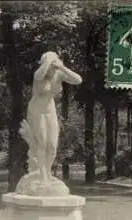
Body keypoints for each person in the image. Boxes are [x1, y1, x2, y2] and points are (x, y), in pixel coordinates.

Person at [26, 51, 82, 182]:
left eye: (54, 66)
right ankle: (43, 175)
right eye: (51, 66)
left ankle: (47, 171)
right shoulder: (39, 74)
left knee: (52, 145)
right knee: (43, 142)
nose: (52, 69)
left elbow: (78, 80)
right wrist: (47, 62)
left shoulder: (58, 73)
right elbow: (39, 76)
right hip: (36, 109)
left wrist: (61, 67)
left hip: (50, 109)